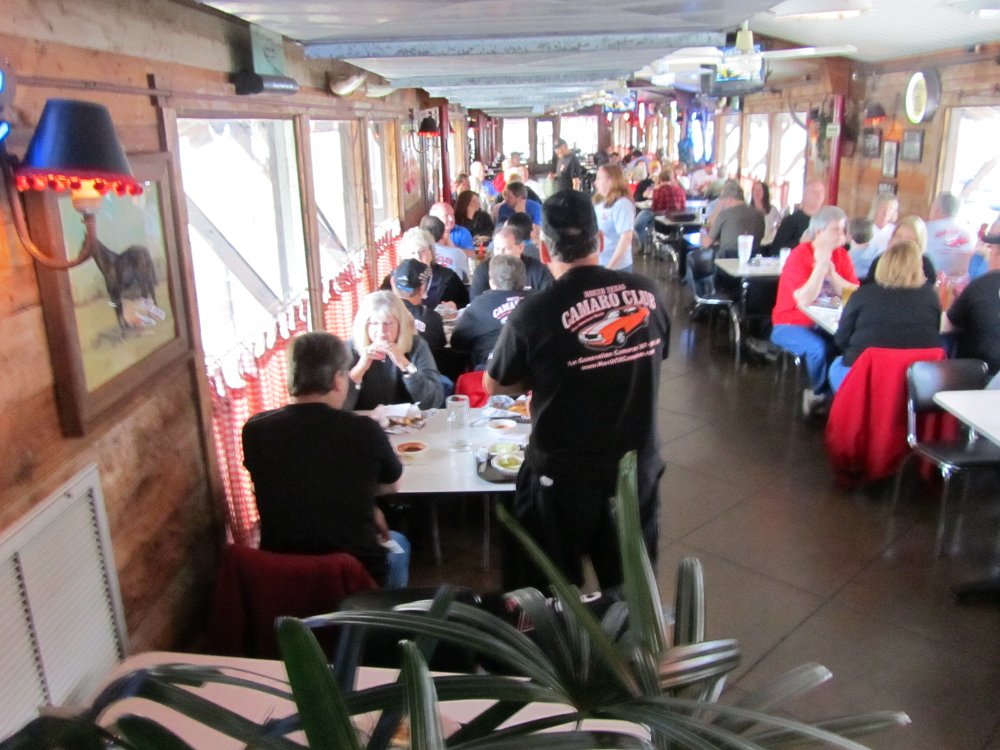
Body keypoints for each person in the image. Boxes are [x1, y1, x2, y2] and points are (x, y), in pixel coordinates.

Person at [484, 188, 671, 591]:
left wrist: (543, 373)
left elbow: (495, 384)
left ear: (543, 250)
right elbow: (655, 354)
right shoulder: (650, 294)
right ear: (599, 240)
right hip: (635, 472)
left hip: (562, 480)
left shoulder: (534, 312)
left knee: (552, 594)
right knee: (633, 592)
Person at [242, 332, 410, 588]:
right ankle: (384, 610)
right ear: (336, 379)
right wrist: (367, 504)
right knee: (400, 544)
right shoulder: (365, 430)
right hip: (355, 575)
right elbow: (392, 485)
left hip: (281, 573)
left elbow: (289, 480)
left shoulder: (255, 430)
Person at [769, 206, 859, 416]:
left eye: (843, 229)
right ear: (819, 232)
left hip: (827, 323)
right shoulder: (799, 255)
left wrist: (832, 273)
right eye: (835, 229)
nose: (841, 235)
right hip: (790, 323)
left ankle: (841, 396)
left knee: (847, 345)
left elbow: (853, 294)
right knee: (818, 349)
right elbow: (804, 299)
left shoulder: (842, 256)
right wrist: (820, 267)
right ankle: (819, 395)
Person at [828, 240, 942, 392]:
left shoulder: (862, 295)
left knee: (836, 365)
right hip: (913, 381)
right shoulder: (931, 297)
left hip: (864, 377)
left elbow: (841, 340)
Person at [345, 291, 444, 411]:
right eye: (374, 323)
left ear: (400, 324)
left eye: (388, 323)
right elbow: (339, 407)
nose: (381, 330)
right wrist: (359, 370)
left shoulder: (416, 345)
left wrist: (404, 364)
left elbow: (434, 402)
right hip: (363, 421)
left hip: (410, 420)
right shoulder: (350, 348)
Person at [451, 254, 532, 369]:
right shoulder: (539, 300)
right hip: (535, 372)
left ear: (492, 282)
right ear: (524, 280)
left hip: (491, 372)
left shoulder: (480, 304)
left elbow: (457, 343)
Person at [943, 216, 1000, 374]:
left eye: (990, 248)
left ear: (996, 253)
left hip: (978, 378)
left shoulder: (983, 285)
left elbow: (948, 324)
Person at [383, 227, 468, 310]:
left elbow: (467, 305)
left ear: (432, 252)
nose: (418, 256)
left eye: (422, 251)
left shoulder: (448, 278)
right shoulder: (394, 278)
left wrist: (455, 306)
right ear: (404, 257)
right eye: (412, 253)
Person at [470, 224, 553, 299]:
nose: (500, 254)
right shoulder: (483, 270)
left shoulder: (537, 269)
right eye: (497, 249)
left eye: (506, 249)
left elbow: (549, 298)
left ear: (521, 247)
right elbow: (476, 303)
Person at [389, 258, 447, 355]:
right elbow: (440, 348)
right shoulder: (432, 318)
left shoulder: (379, 313)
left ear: (392, 282)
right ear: (422, 288)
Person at [866, 215, 936, 285]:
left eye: (909, 239)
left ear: (919, 244)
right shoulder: (880, 260)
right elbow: (869, 285)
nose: (902, 242)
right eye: (898, 236)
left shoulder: (925, 265)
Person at [702, 181, 765, 259]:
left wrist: (719, 207)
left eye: (724, 201)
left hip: (726, 262)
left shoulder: (725, 214)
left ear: (730, 199)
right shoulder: (759, 214)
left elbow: (707, 243)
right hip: (752, 260)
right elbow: (761, 236)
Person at [592, 164, 636, 271]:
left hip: (617, 267)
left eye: (599, 178)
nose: (595, 182)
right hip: (600, 262)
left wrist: (610, 267)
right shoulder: (600, 202)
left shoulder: (622, 204)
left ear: (611, 180)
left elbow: (626, 238)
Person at [767, 178, 826, 256]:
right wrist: (800, 243)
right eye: (814, 192)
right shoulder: (790, 221)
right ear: (805, 195)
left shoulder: (828, 222)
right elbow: (775, 250)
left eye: (821, 192)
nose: (818, 195)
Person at [925, 191, 975, 280]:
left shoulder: (925, 229)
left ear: (937, 210)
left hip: (932, 281)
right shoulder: (970, 232)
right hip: (963, 284)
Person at [419, 215, 470, 282]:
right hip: (454, 287)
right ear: (443, 233)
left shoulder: (416, 254)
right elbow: (467, 278)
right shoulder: (458, 253)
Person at [751, 181, 783, 247]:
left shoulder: (772, 209)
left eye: (760, 190)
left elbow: (780, 223)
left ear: (765, 192)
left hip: (767, 243)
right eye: (754, 190)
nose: (757, 192)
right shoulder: (748, 210)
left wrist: (774, 231)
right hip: (752, 243)